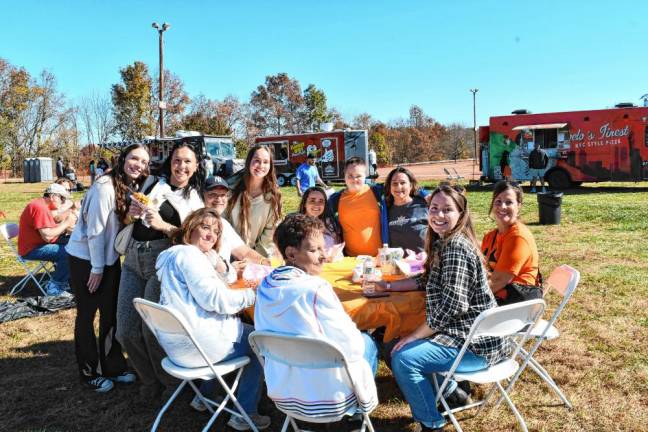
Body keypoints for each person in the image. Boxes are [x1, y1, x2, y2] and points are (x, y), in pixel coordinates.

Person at [383, 185, 508, 431]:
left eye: (447, 210)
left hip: (476, 346)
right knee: (396, 344)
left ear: (461, 214)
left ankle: (431, 423)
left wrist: (414, 335)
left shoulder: (456, 248)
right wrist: (388, 286)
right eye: (434, 208)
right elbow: (427, 278)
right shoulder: (443, 242)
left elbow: (452, 306)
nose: (439, 215)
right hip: (465, 335)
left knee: (403, 357)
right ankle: (451, 393)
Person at [155, 208, 270, 431]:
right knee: (259, 341)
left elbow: (212, 282)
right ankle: (246, 414)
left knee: (242, 331)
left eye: (216, 232)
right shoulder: (190, 256)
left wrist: (220, 266)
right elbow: (216, 300)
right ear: (190, 228)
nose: (211, 235)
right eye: (205, 227)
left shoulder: (173, 255)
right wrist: (253, 295)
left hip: (177, 348)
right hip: (201, 346)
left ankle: (204, 396)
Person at [255, 214, 378, 419]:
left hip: (283, 393)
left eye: (323, 247)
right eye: (314, 250)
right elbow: (352, 345)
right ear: (291, 254)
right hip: (327, 398)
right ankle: (359, 413)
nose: (324, 256)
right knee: (367, 342)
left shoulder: (265, 286)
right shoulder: (315, 288)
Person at [116, 140, 205, 400]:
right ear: (170, 162)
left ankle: (169, 384)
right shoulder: (153, 184)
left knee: (151, 329)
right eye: (177, 160)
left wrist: (164, 225)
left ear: (196, 166)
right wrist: (131, 213)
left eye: (187, 161)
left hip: (161, 262)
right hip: (133, 257)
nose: (181, 166)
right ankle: (148, 379)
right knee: (126, 331)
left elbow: (195, 240)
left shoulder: (194, 200)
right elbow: (127, 219)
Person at [65, 143, 149, 393]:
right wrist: (97, 268)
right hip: (86, 259)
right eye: (134, 158)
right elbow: (96, 231)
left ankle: (113, 366)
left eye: (144, 162)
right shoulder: (104, 187)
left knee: (110, 313)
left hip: (109, 260)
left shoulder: (131, 186)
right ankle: (89, 372)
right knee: (87, 315)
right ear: (123, 159)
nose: (139, 165)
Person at [481, 181, 542, 305]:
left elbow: (498, 281)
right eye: (498, 201)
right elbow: (481, 271)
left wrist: (467, 297)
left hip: (515, 306)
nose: (502, 206)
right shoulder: (490, 237)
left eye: (509, 202)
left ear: (519, 205)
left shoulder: (518, 238)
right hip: (495, 298)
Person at [202, 175, 267, 282]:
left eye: (223, 195)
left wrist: (269, 263)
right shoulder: (196, 223)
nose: (219, 199)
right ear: (203, 195)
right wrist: (230, 269)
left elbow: (245, 253)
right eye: (212, 194)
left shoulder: (223, 224)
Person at [18, 183, 76, 296]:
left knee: (77, 245)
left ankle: (67, 278)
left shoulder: (43, 205)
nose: (63, 202)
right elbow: (48, 236)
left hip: (39, 243)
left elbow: (51, 230)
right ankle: (55, 287)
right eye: (62, 199)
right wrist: (66, 224)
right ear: (53, 196)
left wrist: (67, 228)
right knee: (70, 252)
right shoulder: (40, 208)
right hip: (31, 249)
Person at [224, 144, 282, 258]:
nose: (261, 165)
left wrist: (253, 257)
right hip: (228, 254)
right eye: (257, 160)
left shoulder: (273, 196)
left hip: (256, 258)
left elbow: (270, 231)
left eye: (265, 162)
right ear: (249, 162)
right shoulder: (230, 190)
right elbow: (222, 222)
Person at [328, 157, 387, 257]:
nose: (354, 179)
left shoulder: (376, 192)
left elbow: (405, 186)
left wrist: (423, 194)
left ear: (365, 176)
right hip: (351, 259)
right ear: (344, 176)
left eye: (358, 176)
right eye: (350, 175)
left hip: (379, 257)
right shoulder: (335, 200)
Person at [384, 166, 428, 252]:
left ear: (411, 185)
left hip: (421, 263)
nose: (398, 187)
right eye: (394, 183)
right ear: (390, 187)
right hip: (396, 263)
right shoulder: (385, 210)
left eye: (403, 183)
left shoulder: (424, 205)